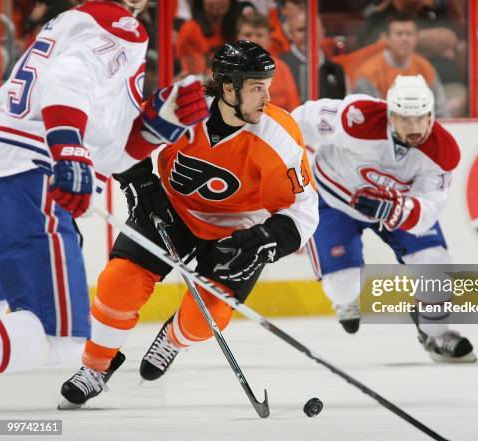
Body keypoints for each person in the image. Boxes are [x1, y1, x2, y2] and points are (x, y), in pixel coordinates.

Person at [58, 40, 318, 409]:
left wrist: (265, 240)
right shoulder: (181, 105)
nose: (267, 96)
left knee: (204, 318)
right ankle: (96, 367)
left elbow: (304, 210)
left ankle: (173, 338)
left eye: (268, 86)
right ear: (229, 87)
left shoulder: (278, 135)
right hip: (173, 209)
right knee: (119, 282)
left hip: (239, 229)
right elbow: (123, 131)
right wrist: (139, 178)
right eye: (257, 87)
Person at [0, 0, 208, 374]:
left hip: (14, 167)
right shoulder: (117, 25)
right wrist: (68, 152)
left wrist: (159, 125)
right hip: (30, 176)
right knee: (56, 340)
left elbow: (109, 154)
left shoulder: (75, 21)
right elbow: (65, 81)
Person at [292, 75, 476, 363]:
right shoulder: (358, 117)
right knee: (342, 287)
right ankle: (346, 299)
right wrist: (290, 165)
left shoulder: (442, 150)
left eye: (421, 118)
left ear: (431, 115)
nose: (414, 127)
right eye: (405, 119)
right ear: (391, 115)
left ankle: (435, 332)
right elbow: (301, 120)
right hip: (332, 199)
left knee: (434, 260)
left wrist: (397, 210)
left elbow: (430, 205)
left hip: (394, 208)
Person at [354, 13, 449, 118]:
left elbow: (441, 111)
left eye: (409, 34)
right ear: (387, 38)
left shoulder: (425, 68)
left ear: (416, 37)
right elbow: (369, 116)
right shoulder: (368, 73)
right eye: (399, 34)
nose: (404, 39)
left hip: (421, 129)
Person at [235, 11, 301, 111]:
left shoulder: (282, 69)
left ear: (269, 39)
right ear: (238, 38)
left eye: (259, 35)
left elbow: (293, 110)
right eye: (248, 35)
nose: (254, 40)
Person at [280, 10, 347, 102]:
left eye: (312, 29)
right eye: (301, 30)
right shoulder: (279, 67)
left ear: (323, 31)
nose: (307, 35)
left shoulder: (336, 70)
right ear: (291, 34)